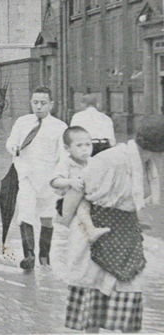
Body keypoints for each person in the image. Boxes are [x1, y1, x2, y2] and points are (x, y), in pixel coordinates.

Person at [61, 115, 164, 333]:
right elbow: (78, 193)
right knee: (93, 298)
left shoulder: (145, 163)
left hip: (125, 232)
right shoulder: (111, 160)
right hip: (97, 230)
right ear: (158, 150)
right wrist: (75, 225)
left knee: (128, 298)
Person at [6, 87, 68, 269]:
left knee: (47, 218)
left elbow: (64, 155)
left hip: (49, 179)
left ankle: (44, 257)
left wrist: (61, 178)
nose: (38, 106)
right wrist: (13, 148)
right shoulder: (22, 122)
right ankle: (30, 257)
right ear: (31, 102)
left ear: (51, 104)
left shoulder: (60, 127)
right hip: (26, 176)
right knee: (25, 214)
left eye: (43, 103)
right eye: (35, 102)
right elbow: (11, 141)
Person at [50, 126, 110, 243]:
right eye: (79, 146)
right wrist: (70, 182)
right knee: (82, 205)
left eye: (88, 145)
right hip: (66, 202)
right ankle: (91, 230)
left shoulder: (93, 162)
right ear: (67, 148)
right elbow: (54, 181)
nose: (84, 149)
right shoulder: (66, 163)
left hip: (88, 199)